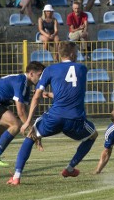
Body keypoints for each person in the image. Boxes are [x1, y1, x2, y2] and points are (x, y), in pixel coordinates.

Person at [8, 42, 98, 185]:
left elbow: (36, 97)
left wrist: (28, 121)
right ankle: (70, 168)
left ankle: (17, 176)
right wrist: (52, 94)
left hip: (54, 118)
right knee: (92, 136)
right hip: (75, 119)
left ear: (58, 55)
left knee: (31, 136)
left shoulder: (50, 70)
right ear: (73, 54)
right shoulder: (82, 68)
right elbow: (69, 91)